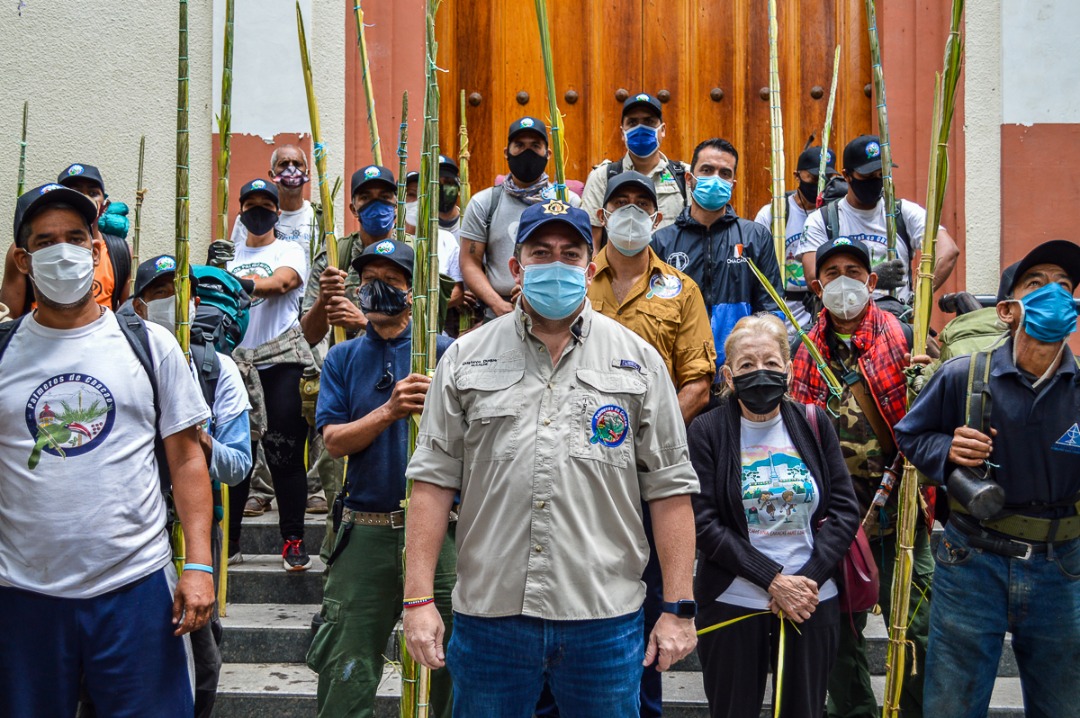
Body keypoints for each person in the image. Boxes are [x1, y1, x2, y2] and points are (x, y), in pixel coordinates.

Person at [402, 200, 699, 715]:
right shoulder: (465, 358)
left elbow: (670, 488)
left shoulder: (639, 361)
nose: (555, 265)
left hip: (603, 618)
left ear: (590, 267)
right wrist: (417, 599)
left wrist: (678, 607)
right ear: (516, 267)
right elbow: (431, 481)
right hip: (491, 617)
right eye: (541, 252)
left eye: (570, 254)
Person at [0, 183, 214, 716]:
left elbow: (187, 459)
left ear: (97, 250)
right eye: (45, 241)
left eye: (76, 237)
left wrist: (201, 565)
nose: (63, 250)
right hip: (22, 593)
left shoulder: (148, 345)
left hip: (136, 588)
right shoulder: (3, 351)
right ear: (24, 260)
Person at [548, 170, 710, 717]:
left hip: (646, 479)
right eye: (622, 202)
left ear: (659, 217)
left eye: (644, 203)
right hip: (573, 474)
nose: (633, 212)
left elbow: (697, 382)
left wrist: (643, 440)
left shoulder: (680, 290)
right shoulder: (570, 278)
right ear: (602, 213)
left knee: (641, 619)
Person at [895, 239, 1080, 718]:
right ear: (1006, 310)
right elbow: (911, 436)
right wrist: (948, 451)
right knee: (952, 705)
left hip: (1063, 568)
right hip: (971, 560)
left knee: (1063, 704)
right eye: (1036, 285)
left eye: (1064, 285)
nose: (1054, 294)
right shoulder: (962, 374)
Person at [306, 238, 455, 717]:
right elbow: (334, 441)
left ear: (414, 290)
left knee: (455, 669)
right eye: (369, 281)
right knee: (345, 669)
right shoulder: (343, 358)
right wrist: (389, 411)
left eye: (390, 281)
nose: (378, 290)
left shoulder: (445, 352)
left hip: (443, 535)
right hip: (367, 530)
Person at [788, 237, 931, 718]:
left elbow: (933, 419)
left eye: (854, 270)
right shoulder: (802, 351)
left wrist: (927, 380)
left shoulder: (906, 337)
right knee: (834, 630)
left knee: (916, 626)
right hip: (832, 521)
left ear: (871, 282)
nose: (843, 280)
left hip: (899, 512)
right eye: (832, 273)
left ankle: (910, 710)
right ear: (816, 285)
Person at [689, 313, 858, 718]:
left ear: (789, 368)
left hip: (811, 601)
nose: (759, 373)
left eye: (770, 363)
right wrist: (773, 580)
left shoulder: (816, 423)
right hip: (733, 600)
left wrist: (805, 581)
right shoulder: (706, 431)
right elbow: (703, 521)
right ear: (728, 377)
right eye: (747, 365)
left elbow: (845, 511)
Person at [131, 255, 253, 718]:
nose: (168, 303)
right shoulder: (123, 358)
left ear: (195, 302)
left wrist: (201, 444)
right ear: (137, 306)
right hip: (135, 529)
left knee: (201, 655)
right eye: (157, 295)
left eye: (175, 293)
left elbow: (239, 464)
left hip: (193, 533)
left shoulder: (217, 368)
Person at [226, 178, 313, 571]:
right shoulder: (226, 254)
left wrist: (229, 281)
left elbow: (282, 284)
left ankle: (293, 539)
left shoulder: (290, 249)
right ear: (240, 210)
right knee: (236, 454)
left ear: (278, 212)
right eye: (250, 204)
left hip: (280, 360)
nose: (258, 211)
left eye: (266, 204)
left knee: (285, 453)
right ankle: (229, 542)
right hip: (234, 366)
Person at [651, 138, 783, 368]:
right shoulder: (662, 242)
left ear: (733, 183)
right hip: (680, 370)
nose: (715, 178)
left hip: (739, 369)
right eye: (707, 170)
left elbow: (771, 310)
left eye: (724, 173)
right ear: (689, 179)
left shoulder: (755, 236)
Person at [797, 135, 959, 312]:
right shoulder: (823, 220)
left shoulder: (903, 213)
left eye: (881, 174)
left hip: (897, 321)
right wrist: (871, 278)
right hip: (843, 321)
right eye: (867, 175)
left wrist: (920, 295)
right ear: (847, 175)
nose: (875, 181)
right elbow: (813, 277)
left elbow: (948, 250)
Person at [459, 117, 581, 320]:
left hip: (555, 312)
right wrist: (497, 304)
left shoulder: (567, 202)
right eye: (519, 146)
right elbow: (469, 261)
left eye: (535, 146)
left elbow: (579, 258)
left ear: (548, 154)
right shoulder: (485, 203)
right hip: (498, 314)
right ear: (507, 153)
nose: (527, 152)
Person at [1, 162, 132, 316]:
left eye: (93, 192)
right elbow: (9, 317)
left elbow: (129, 315)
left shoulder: (120, 252)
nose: (86, 197)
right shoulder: (23, 250)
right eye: (76, 192)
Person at [581, 93, 689, 244]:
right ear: (622, 133)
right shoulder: (602, 176)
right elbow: (592, 243)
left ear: (662, 130)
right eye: (632, 122)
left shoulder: (684, 175)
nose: (641, 128)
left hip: (671, 265)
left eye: (649, 121)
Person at [754, 146, 838, 335]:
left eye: (826, 179)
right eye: (814, 178)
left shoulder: (832, 215)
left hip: (822, 308)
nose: (819, 185)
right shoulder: (773, 214)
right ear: (797, 175)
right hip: (783, 309)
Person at [214, 144, 320, 281]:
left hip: (309, 300)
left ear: (307, 172)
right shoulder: (250, 218)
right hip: (258, 294)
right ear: (272, 174)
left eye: (297, 164)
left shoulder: (320, 218)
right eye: (284, 164)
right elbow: (236, 261)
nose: (291, 169)